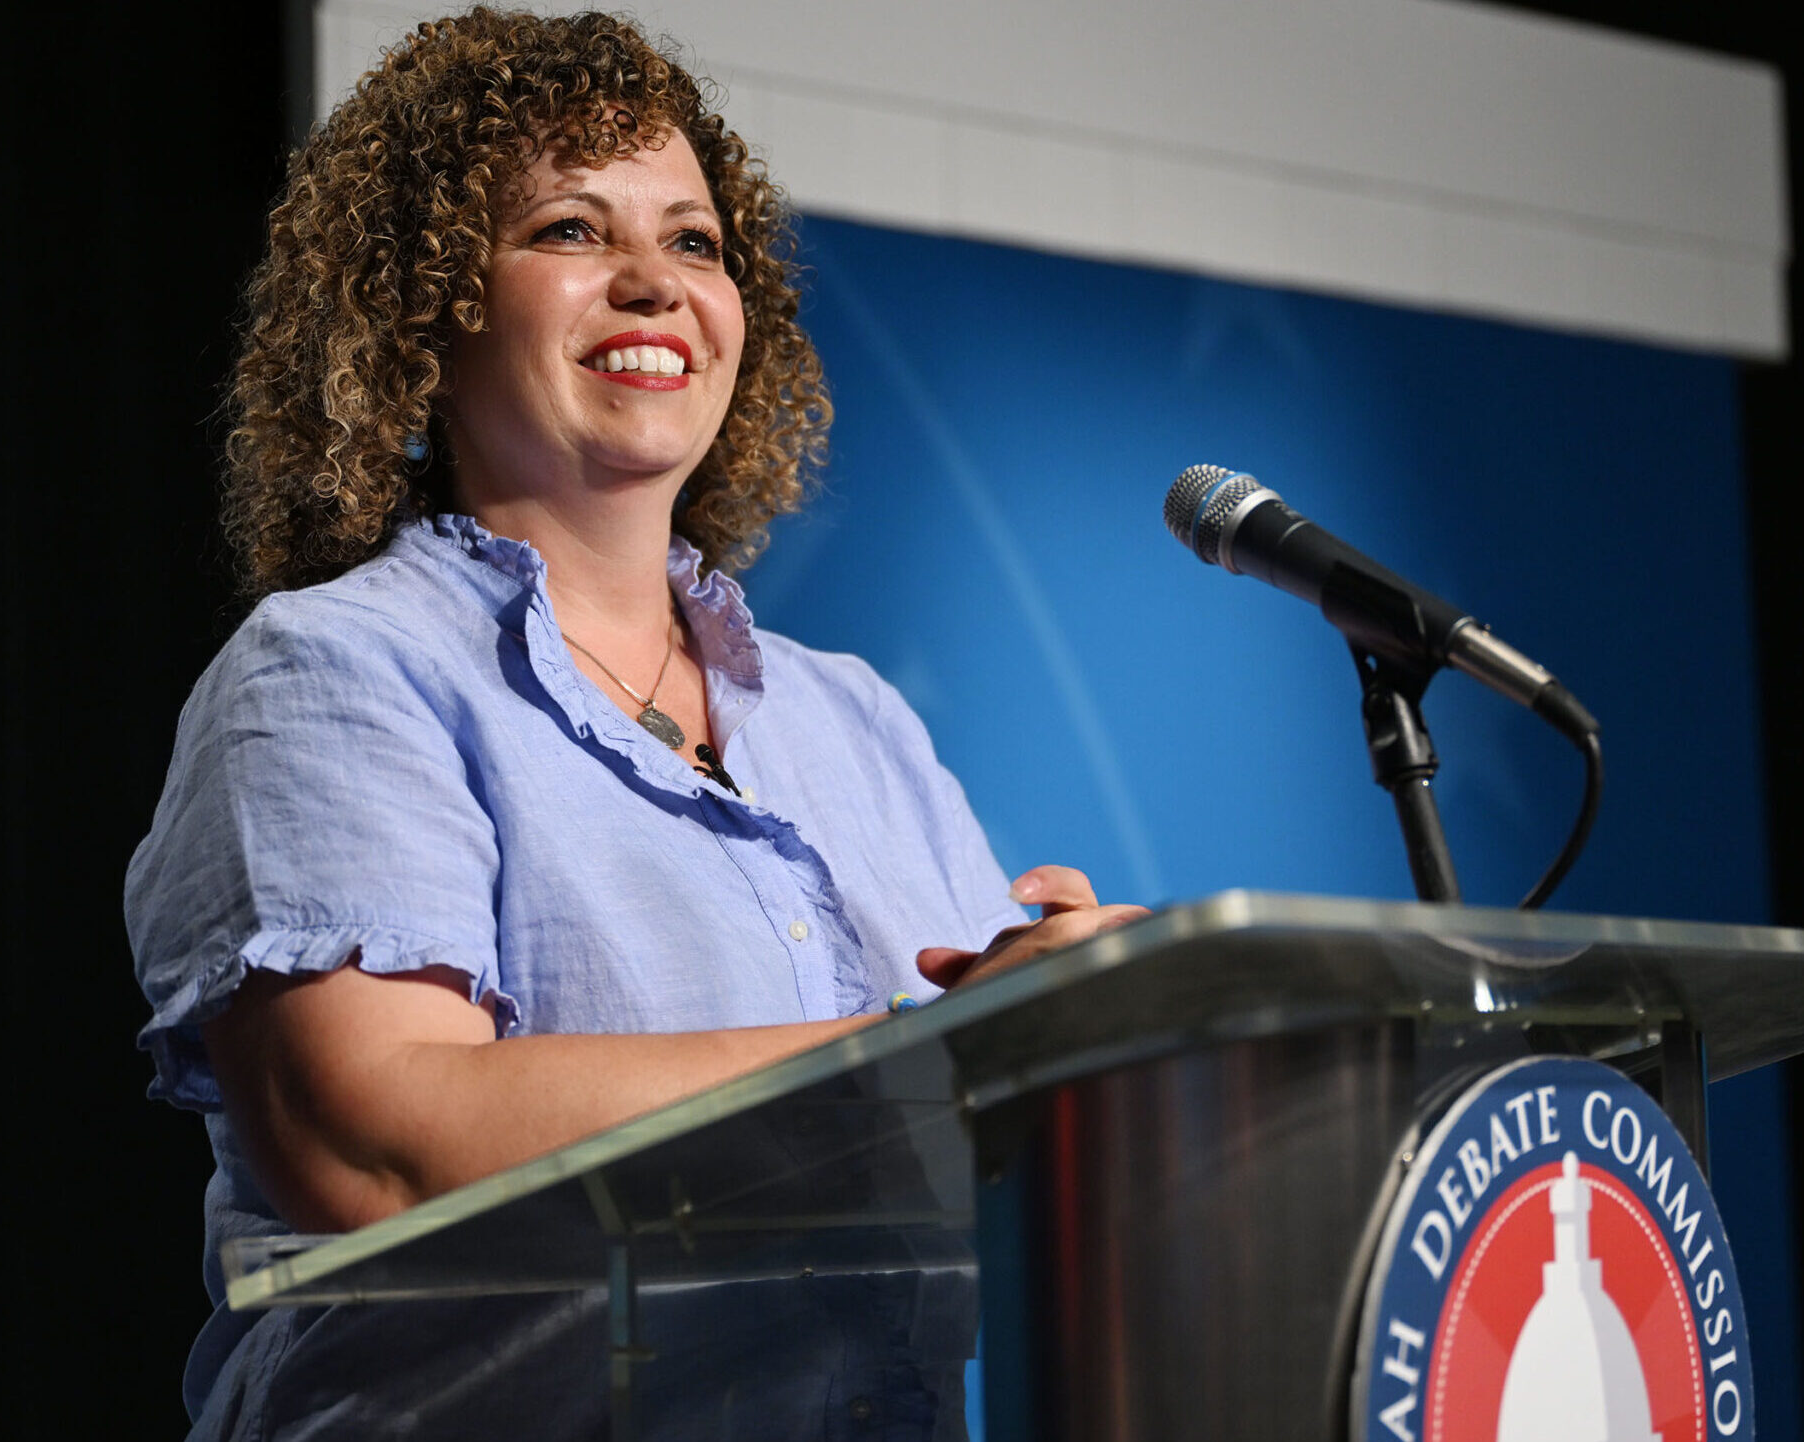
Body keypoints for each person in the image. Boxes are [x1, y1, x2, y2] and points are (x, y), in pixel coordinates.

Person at [125, 9, 1144, 1438]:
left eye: (696, 244)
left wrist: (1080, 1027)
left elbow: (986, 1134)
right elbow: (381, 1142)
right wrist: (932, 1058)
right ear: (430, 307)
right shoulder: (332, 674)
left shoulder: (854, 720)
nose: (654, 285)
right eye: (568, 230)